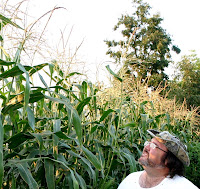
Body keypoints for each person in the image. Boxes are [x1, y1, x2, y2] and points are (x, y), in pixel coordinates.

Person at [118, 129, 198, 189]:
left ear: (168, 160)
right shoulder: (130, 180)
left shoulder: (183, 187)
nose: (146, 147)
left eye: (154, 146)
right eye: (149, 143)